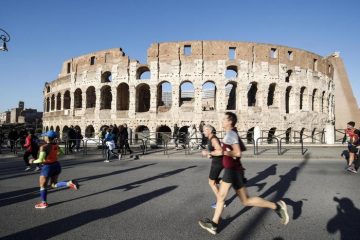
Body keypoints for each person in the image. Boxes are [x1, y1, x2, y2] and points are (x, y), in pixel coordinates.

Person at [198, 112, 289, 235]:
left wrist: (222, 152)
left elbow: (237, 153)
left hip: (233, 171)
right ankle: (276, 207)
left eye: (224, 119)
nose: (222, 120)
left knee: (227, 198)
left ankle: (277, 207)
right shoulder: (230, 133)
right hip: (233, 170)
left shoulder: (231, 134)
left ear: (230, 121)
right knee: (241, 200)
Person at [29, 130, 79, 209]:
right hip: (56, 165)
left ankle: (43, 203)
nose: (43, 137)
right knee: (53, 185)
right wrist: (53, 154)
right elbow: (61, 153)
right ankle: (69, 183)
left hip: (47, 167)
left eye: (45, 136)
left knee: (42, 186)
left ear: (47, 137)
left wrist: (32, 161)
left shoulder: (43, 147)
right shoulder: (56, 145)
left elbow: (40, 160)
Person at [201, 124, 225, 209]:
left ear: (209, 131)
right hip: (217, 162)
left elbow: (220, 151)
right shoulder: (211, 138)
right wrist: (210, 155)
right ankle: (226, 180)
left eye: (204, 130)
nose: (203, 132)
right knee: (213, 181)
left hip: (218, 163)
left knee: (211, 182)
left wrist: (208, 153)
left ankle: (221, 202)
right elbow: (215, 151)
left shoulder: (213, 139)